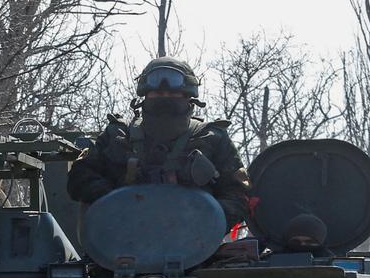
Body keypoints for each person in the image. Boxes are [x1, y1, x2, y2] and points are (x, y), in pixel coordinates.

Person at [66, 57, 250, 227]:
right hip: (123, 241)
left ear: (188, 96)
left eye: (173, 93)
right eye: (158, 92)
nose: (165, 97)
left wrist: (203, 220)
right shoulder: (118, 135)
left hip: (195, 244)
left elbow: (238, 194)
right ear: (145, 95)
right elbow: (80, 178)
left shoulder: (212, 138)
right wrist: (116, 201)